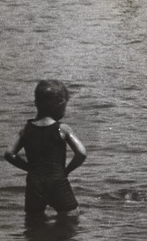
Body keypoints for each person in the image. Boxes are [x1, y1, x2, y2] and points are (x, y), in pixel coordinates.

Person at [5, 80, 87, 218]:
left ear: (36, 103)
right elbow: (81, 153)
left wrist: (29, 168)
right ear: (60, 102)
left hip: (34, 183)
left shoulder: (26, 129)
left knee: (33, 221)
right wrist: (66, 170)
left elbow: (9, 154)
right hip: (57, 181)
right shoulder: (63, 129)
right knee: (71, 217)